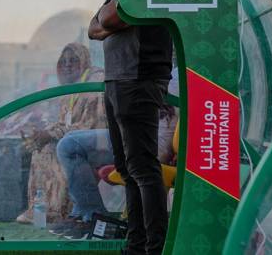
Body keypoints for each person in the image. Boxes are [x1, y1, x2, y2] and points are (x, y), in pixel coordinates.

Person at [88, 0, 173, 255]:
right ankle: (136, 244)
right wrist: (108, 18)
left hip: (137, 76)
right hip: (119, 77)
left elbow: (107, 17)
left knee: (142, 166)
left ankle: (154, 247)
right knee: (128, 166)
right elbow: (95, 27)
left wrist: (108, 18)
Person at [56, 68, 180, 229]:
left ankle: (91, 216)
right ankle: (85, 213)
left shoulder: (179, 75)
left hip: (147, 144)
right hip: (138, 136)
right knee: (70, 140)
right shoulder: (172, 71)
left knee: (70, 145)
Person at [16, 42, 107, 225]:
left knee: (54, 149)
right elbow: (65, 123)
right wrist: (42, 132)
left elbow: (91, 126)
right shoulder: (71, 88)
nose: (67, 65)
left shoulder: (93, 83)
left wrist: (51, 134)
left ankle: (58, 211)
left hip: (100, 144)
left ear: (84, 61)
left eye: (73, 60)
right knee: (40, 146)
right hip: (77, 141)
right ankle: (43, 208)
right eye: (63, 61)